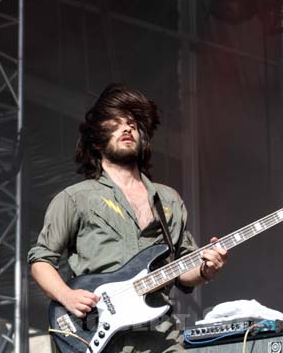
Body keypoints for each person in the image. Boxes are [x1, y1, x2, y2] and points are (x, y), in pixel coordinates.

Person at [28, 84, 227, 352]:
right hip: (99, 334)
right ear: (97, 141)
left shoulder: (168, 200)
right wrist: (67, 296)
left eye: (132, 123)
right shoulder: (75, 198)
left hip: (160, 336)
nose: (127, 128)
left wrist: (205, 269)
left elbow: (182, 270)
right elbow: (41, 261)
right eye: (116, 122)